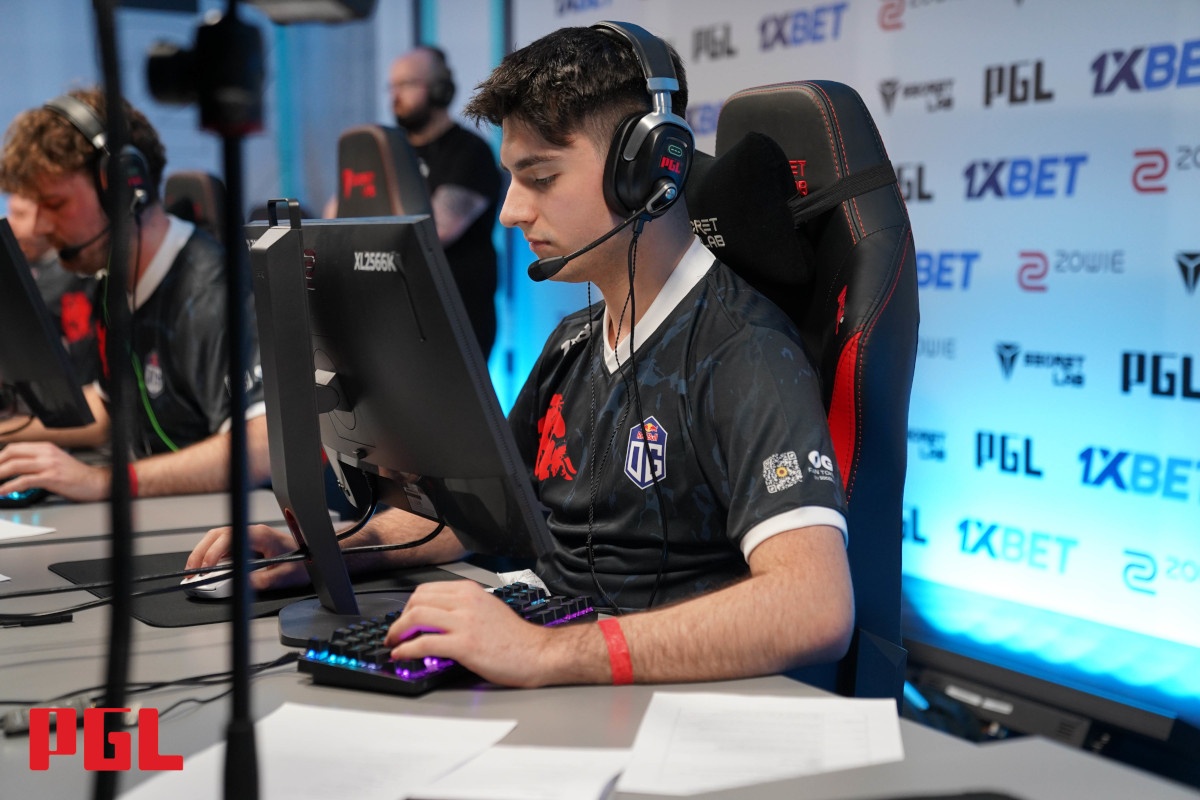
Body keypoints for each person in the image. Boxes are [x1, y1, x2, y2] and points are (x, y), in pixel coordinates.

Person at [189, 24, 852, 688]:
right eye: (513, 177)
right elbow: (479, 521)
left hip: (652, 700)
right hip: (562, 664)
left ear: (647, 170)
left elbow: (814, 606)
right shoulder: (574, 340)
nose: (510, 211)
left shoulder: (743, 351)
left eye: (540, 177)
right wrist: (321, 551)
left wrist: (544, 653)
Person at [0, 88, 270, 502]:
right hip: (168, 510)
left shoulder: (214, 292)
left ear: (124, 189)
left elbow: (265, 445)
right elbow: (109, 407)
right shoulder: (112, 281)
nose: (39, 228)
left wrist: (103, 482)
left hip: (222, 523)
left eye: (55, 204)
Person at [387, 45, 502, 359]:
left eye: (406, 84)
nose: (395, 96)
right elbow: (339, 213)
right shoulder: (388, 152)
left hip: (457, 318)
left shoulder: (470, 152)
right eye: (392, 86)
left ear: (440, 91)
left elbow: (434, 231)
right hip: (398, 317)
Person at [5, 191, 100, 384]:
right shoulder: (15, 265)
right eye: (10, 213)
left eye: (20, 215)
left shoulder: (83, 270)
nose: (10, 223)